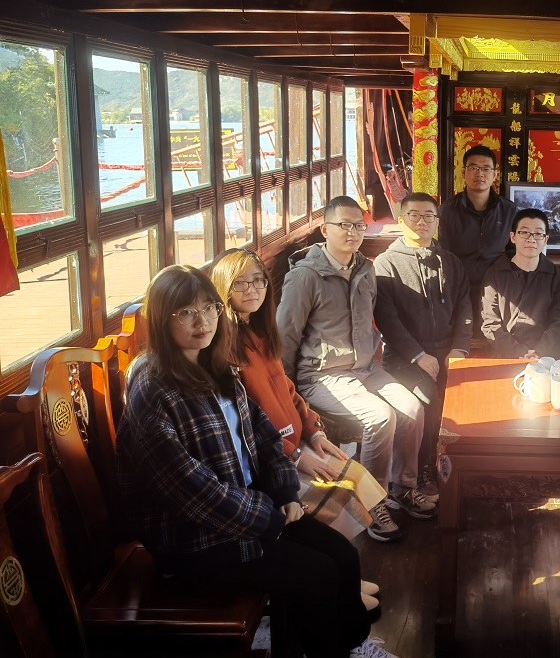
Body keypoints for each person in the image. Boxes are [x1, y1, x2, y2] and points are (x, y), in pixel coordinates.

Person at [115, 265, 379, 658]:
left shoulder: (215, 364)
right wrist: (267, 518)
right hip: (194, 538)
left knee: (342, 553)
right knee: (317, 574)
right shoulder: (152, 388)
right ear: (160, 319)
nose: (202, 321)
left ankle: (352, 645)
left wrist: (284, 492)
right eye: (186, 312)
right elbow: (188, 488)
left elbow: (263, 431)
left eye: (209, 308)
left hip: (245, 511)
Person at [211, 248, 399, 547]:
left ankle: (346, 552)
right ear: (223, 286)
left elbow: (287, 389)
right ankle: (332, 555)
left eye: (258, 280)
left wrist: (314, 431)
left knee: (356, 474)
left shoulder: (261, 333)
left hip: (298, 442)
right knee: (339, 497)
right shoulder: (224, 350)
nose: (252, 290)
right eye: (240, 283)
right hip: (274, 459)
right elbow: (245, 425)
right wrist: (294, 455)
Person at [277, 195, 437, 536]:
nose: (353, 232)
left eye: (359, 225)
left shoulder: (365, 268)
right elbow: (285, 336)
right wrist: (288, 393)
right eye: (344, 225)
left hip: (365, 369)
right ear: (325, 230)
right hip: (321, 374)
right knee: (381, 416)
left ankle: (402, 487)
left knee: (412, 407)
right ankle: (371, 501)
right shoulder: (305, 277)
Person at [373, 192, 473, 500]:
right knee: (427, 399)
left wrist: (459, 349)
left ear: (437, 222)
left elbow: (464, 308)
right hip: (405, 356)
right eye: (414, 215)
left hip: (448, 351)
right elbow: (387, 319)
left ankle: (461, 465)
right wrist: (418, 355)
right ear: (401, 220)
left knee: (466, 400)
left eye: (429, 215)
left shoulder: (450, 262)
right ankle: (421, 469)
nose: (422, 222)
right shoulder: (386, 263)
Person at [480, 207, 560, 359]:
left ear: (545, 240)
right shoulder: (495, 274)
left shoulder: (557, 278)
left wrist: (539, 353)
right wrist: (519, 352)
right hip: (504, 354)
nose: (531, 239)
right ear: (513, 237)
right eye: (524, 232)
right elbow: (490, 323)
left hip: (544, 357)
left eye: (538, 234)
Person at [438, 145, 516, 313]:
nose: (480, 173)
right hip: (460, 287)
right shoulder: (447, 210)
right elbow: (444, 253)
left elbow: (514, 252)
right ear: (463, 172)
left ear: (495, 174)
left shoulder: (509, 210)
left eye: (486, 168)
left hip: (499, 288)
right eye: (473, 168)